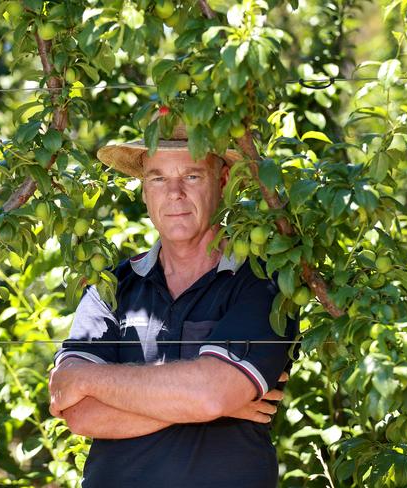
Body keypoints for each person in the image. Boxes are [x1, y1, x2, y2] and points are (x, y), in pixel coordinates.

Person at [48, 122, 299, 488]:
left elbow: (211, 394)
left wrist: (88, 379)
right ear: (144, 191)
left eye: (192, 176)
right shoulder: (111, 287)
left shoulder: (263, 283)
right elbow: (78, 413)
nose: (175, 193)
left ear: (224, 180)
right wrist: (207, 403)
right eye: (158, 178)